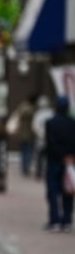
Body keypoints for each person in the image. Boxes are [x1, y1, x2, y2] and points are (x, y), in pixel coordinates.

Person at [43, 96, 75, 233]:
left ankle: (54, 220)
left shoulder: (50, 123)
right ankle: (67, 220)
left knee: (53, 192)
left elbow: (51, 143)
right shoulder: (73, 123)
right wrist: (69, 156)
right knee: (68, 191)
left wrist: (60, 155)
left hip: (54, 161)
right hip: (70, 161)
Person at [15, 94, 38, 177]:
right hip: (29, 134)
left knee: (23, 152)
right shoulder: (32, 110)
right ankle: (26, 168)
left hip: (22, 133)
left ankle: (23, 167)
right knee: (28, 152)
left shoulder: (22, 107)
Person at [32, 95, 53, 179]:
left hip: (41, 138)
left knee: (40, 156)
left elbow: (35, 126)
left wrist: (40, 134)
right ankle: (42, 171)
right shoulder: (51, 113)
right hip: (48, 138)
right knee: (45, 157)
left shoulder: (38, 114)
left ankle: (39, 171)